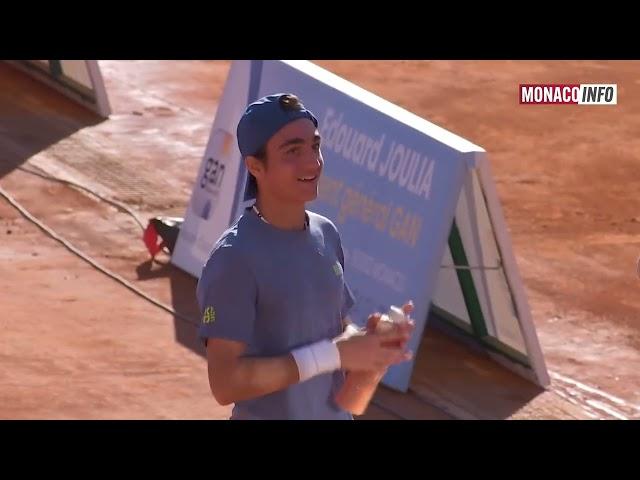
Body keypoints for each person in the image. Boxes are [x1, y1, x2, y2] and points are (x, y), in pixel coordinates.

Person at [196, 92, 414, 420]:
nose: (312, 163)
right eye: (292, 151)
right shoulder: (233, 259)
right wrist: (334, 355)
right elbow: (225, 384)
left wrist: (372, 349)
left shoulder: (326, 234)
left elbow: (346, 386)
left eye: (314, 146)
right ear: (255, 166)